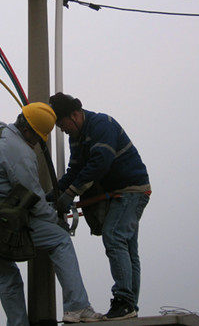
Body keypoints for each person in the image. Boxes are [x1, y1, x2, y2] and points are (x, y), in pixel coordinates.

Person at [0, 102, 102, 326]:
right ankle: (77, 307)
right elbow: (34, 199)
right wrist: (55, 220)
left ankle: (18, 324)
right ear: (27, 130)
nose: (37, 144)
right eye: (37, 138)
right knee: (60, 240)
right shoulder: (21, 152)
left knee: (7, 276)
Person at [49, 92, 151, 321]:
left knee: (114, 236)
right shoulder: (76, 137)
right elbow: (74, 171)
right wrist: (53, 194)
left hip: (132, 190)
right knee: (128, 247)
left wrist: (70, 193)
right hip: (118, 193)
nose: (63, 130)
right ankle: (129, 306)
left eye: (63, 125)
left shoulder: (101, 125)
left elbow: (100, 163)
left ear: (74, 115)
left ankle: (124, 301)